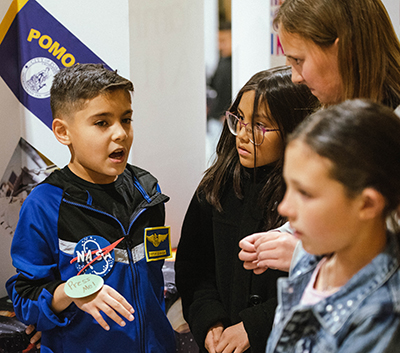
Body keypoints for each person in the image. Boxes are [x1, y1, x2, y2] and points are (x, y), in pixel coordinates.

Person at [6, 63, 176, 353]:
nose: (120, 133)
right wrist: (70, 294)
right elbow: (25, 298)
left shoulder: (148, 190)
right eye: (102, 123)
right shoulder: (45, 204)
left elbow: (152, 274)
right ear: (63, 132)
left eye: (126, 119)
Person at [239, 0, 400, 274]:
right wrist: (287, 236)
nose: (295, 78)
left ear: (345, 49)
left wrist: (308, 256)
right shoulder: (332, 122)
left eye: (299, 61)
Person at [175, 66, 319, 353]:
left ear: (294, 129)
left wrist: (256, 326)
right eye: (238, 119)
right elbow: (194, 268)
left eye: (260, 126)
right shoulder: (216, 186)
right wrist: (210, 321)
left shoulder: (314, 196)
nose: (242, 134)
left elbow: (325, 279)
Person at [266, 99, 400, 352]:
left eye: (305, 193)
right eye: (288, 187)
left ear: (367, 204)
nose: (284, 208)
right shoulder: (312, 258)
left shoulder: (383, 316)